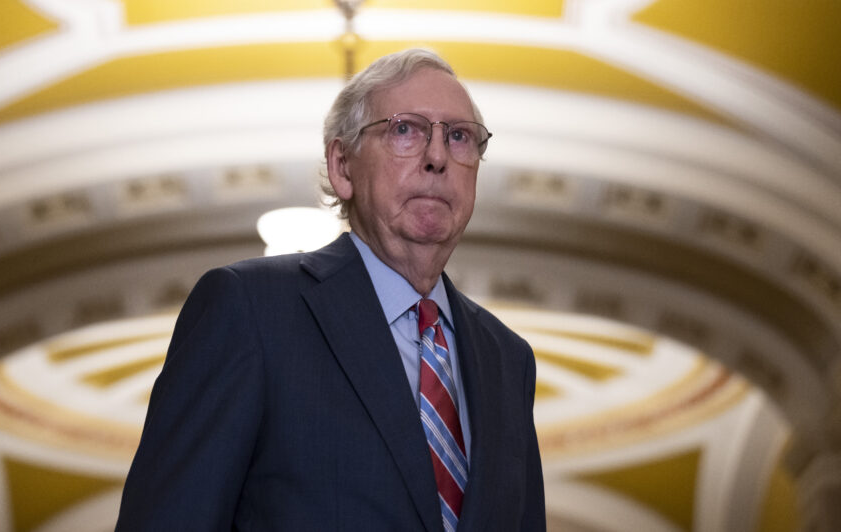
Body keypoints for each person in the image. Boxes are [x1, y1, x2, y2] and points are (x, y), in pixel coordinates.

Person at [115, 48, 545, 531]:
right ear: (342, 166)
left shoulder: (508, 360)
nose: (438, 157)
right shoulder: (249, 310)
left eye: (460, 137)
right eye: (405, 130)